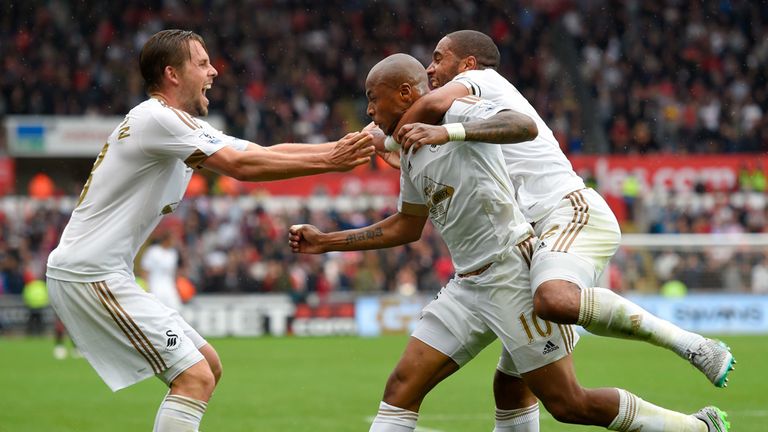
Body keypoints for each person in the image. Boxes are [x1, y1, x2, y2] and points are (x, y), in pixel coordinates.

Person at [289, 53, 728, 432]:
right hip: (466, 286)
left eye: (372, 97)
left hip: (512, 275)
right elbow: (407, 225)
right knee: (401, 388)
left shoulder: (457, 112)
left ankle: (694, 426)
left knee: (568, 404)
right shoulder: (408, 149)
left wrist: (449, 132)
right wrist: (326, 242)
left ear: (405, 93)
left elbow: (520, 125)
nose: (368, 109)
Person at [45, 29, 374, 432]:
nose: (214, 71)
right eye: (202, 63)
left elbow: (258, 153)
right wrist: (331, 162)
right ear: (172, 74)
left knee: (209, 367)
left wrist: (344, 148)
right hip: (90, 273)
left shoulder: (174, 125)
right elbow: (242, 167)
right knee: (194, 377)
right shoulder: (158, 119)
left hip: (102, 272)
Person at [141, 231, 183, 311]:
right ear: (166, 239)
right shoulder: (153, 251)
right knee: (157, 310)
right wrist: (146, 287)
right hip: (155, 286)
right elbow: (145, 270)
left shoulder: (173, 253)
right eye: (173, 239)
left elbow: (173, 272)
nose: (175, 242)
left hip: (169, 287)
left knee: (176, 309)